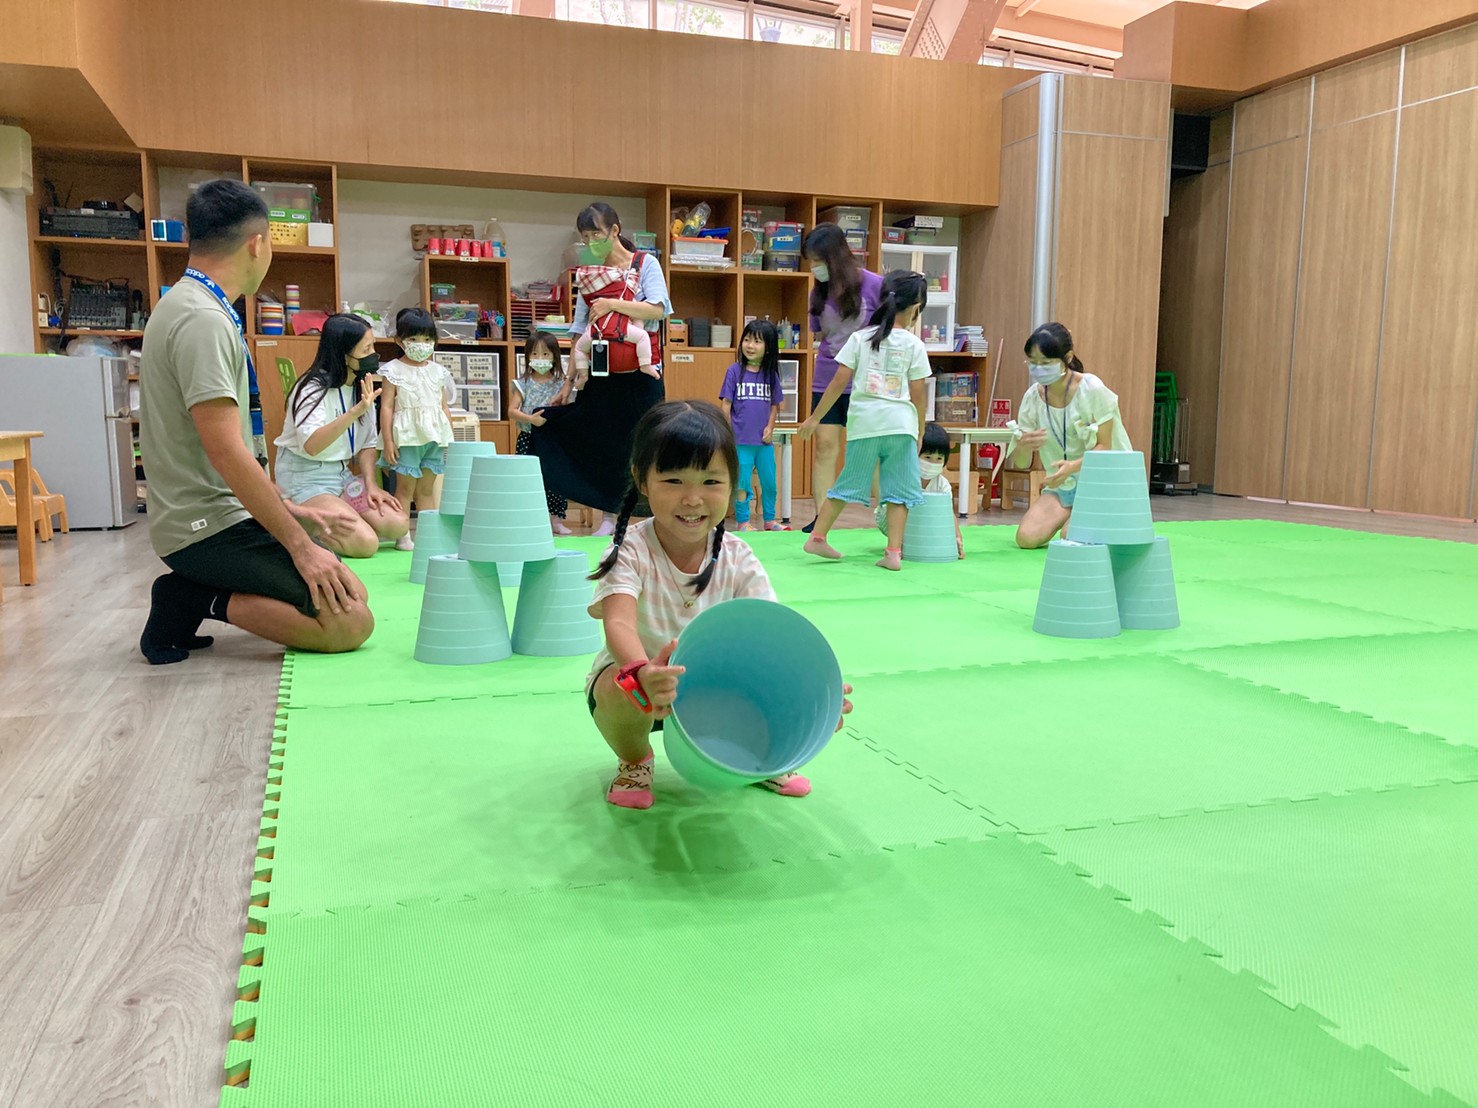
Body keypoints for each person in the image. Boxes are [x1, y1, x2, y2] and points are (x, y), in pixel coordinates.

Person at [137, 179, 372, 665]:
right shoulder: (202, 318)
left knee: (350, 590)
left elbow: (222, 448)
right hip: (202, 527)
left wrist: (287, 507)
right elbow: (226, 453)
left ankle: (200, 591)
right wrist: (299, 545)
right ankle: (191, 598)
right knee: (348, 621)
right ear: (257, 243)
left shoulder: (192, 305)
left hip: (217, 513)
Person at [585, 400, 852, 809]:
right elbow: (618, 622)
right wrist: (643, 671)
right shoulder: (630, 551)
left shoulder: (738, 556)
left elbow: (772, 633)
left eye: (711, 482)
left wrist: (815, 696)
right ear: (642, 480)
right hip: (646, 685)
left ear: (732, 482)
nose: (693, 499)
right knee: (616, 689)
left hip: (717, 690)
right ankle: (636, 759)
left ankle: (765, 758)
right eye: (674, 481)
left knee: (766, 669)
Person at [531, 203, 670, 536]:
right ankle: (608, 516)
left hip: (642, 374)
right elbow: (580, 329)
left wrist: (612, 304)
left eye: (597, 234)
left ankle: (658, 516)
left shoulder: (645, 264)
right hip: (601, 374)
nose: (592, 241)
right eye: (586, 236)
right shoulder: (590, 275)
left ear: (615, 231)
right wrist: (567, 383)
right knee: (596, 441)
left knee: (646, 444)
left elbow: (659, 308)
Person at [799, 270, 932, 571]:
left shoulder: (860, 339)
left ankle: (818, 537)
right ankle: (893, 552)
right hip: (900, 427)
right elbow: (919, 393)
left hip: (865, 426)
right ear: (915, 308)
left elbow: (837, 383)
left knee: (845, 485)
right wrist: (921, 429)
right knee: (899, 492)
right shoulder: (914, 345)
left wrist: (814, 418)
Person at [274, 313, 408, 558]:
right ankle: (297, 518)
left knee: (397, 524)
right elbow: (312, 445)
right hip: (305, 478)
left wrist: (371, 485)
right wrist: (357, 410)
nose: (373, 354)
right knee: (365, 544)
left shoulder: (360, 384)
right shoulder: (311, 389)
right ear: (344, 355)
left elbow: (367, 444)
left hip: (340, 475)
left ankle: (339, 511)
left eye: (373, 346)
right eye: (366, 348)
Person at [1009, 322, 1132, 549]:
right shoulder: (1031, 398)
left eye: (1046, 363)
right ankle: (1076, 512)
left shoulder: (1092, 389)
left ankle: (1092, 513)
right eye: (1032, 363)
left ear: (1067, 358)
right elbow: (1021, 462)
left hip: (1103, 482)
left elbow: (1106, 446)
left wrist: (1072, 466)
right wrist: (1024, 446)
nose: (1038, 369)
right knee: (1026, 539)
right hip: (1063, 485)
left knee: (1072, 538)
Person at [801, 223, 884, 533]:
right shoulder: (817, 292)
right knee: (825, 446)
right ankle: (822, 519)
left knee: (872, 450)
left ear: (836, 257)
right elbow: (822, 336)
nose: (814, 268)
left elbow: (892, 330)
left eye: (818, 260)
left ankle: (888, 517)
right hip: (827, 377)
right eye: (810, 261)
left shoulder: (876, 285)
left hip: (868, 380)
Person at [378, 307, 455, 547]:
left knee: (426, 489)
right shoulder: (393, 370)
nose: (421, 344)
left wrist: (449, 437)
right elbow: (387, 407)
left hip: (433, 437)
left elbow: (443, 406)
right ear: (399, 341)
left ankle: (428, 536)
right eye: (413, 339)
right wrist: (389, 441)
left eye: (427, 339)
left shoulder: (438, 371)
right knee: (404, 488)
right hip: (407, 437)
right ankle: (402, 535)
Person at [718, 319, 786, 532]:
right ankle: (743, 521)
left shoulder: (771, 375)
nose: (750, 345)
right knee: (742, 484)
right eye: (747, 340)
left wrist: (770, 427)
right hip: (740, 441)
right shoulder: (734, 371)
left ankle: (769, 520)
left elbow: (775, 405)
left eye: (757, 342)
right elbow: (726, 404)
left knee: (769, 483)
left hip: (764, 443)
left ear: (768, 347)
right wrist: (726, 432)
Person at [508, 330, 574, 535]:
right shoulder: (523, 383)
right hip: (528, 437)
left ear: (555, 356)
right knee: (527, 479)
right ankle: (528, 518)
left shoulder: (561, 384)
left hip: (554, 440)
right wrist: (531, 420)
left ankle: (556, 519)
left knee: (555, 478)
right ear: (527, 356)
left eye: (546, 354)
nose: (540, 359)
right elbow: (512, 411)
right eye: (535, 354)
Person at [876, 421, 964, 559]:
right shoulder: (904, 477)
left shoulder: (942, 484)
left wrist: (957, 538)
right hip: (889, 518)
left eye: (939, 459)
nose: (932, 463)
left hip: (924, 522)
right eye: (927, 457)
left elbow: (948, 514)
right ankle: (896, 544)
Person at [570, 262, 659, 380]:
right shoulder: (626, 295)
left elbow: (585, 322)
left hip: (594, 334)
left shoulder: (594, 297)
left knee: (579, 349)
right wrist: (638, 328)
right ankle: (645, 365)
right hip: (623, 331)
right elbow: (638, 317)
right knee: (643, 336)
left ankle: (583, 375)